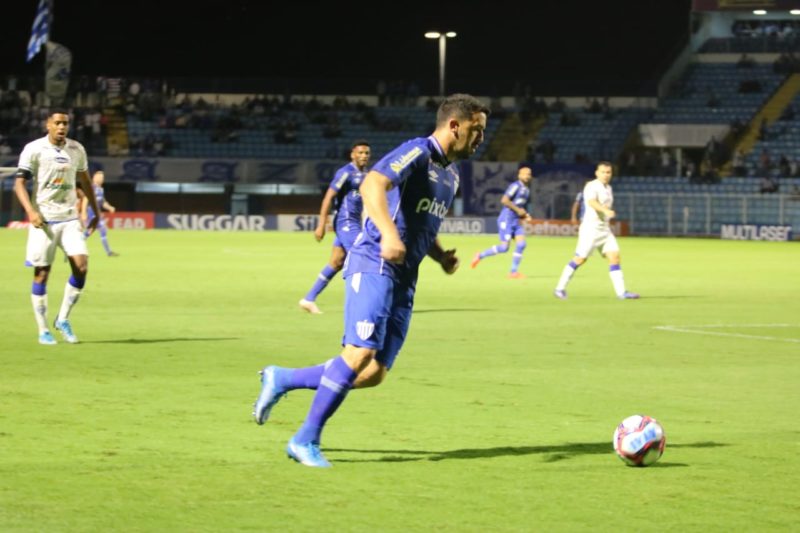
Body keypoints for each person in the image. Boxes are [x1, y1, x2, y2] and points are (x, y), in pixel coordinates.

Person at [253, 94, 489, 467]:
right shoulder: (418, 151)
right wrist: (388, 235)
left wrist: (441, 256)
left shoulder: (452, 174)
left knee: (375, 372)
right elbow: (372, 185)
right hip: (374, 261)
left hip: (405, 278)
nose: (480, 139)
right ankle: (304, 439)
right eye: (477, 130)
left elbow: (422, 225)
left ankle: (282, 378)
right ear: (455, 125)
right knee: (359, 353)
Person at [14, 109, 100, 344]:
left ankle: (62, 319)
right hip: (44, 221)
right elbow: (19, 184)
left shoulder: (76, 149)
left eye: (65, 123)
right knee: (42, 274)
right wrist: (31, 212)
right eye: (58, 123)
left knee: (81, 267)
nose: (62, 127)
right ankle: (43, 330)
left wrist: (96, 211)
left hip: (70, 219)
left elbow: (85, 181)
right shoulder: (34, 149)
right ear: (48, 125)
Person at [298, 140, 371, 314]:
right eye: (360, 152)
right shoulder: (345, 172)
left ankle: (308, 299)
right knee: (362, 258)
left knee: (336, 262)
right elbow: (328, 197)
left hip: (354, 223)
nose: (364, 156)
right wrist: (321, 224)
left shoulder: (367, 174)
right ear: (352, 154)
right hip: (346, 222)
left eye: (367, 153)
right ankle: (362, 303)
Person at [553, 161, 638, 300]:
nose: (606, 175)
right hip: (590, 229)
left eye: (608, 172)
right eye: (603, 172)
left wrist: (606, 212)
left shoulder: (608, 188)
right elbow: (592, 202)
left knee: (614, 257)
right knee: (580, 259)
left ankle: (622, 293)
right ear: (597, 173)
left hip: (604, 230)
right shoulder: (592, 186)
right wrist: (605, 210)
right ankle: (559, 288)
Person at [470, 165, 533, 278]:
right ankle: (479, 256)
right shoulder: (515, 186)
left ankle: (513, 272)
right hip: (506, 219)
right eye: (524, 174)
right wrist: (518, 211)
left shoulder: (527, 190)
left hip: (515, 221)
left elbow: (519, 207)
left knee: (521, 244)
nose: (527, 176)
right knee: (504, 248)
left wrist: (525, 215)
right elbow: (504, 200)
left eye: (529, 174)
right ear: (519, 175)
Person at [82, 170, 119, 257]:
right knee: (91, 231)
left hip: (97, 214)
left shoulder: (101, 189)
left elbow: (102, 202)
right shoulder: (91, 187)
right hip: (91, 213)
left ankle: (109, 252)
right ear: (94, 178)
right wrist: (83, 212)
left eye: (102, 177)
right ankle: (76, 247)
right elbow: (85, 199)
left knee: (101, 230)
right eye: (99, 177)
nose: (101, 179)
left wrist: (110, 207)